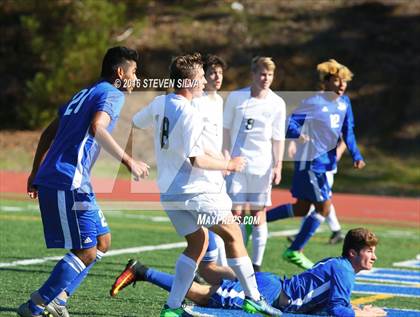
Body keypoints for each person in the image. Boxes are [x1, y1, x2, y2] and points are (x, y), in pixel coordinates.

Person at [128, 53, 281, 317]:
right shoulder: (190, 112)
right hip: (195, 191)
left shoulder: (160, 102)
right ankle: (254, 298)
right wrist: (228, 165)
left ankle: (173, 308)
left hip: (169, 193)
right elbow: (196, 159)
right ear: (188, 83)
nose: (203, 82)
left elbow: (136, 122)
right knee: (234, 235)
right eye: (200, 78)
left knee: (197, 243)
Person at [17, 47, 150, 317]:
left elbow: (47, 133)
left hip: (63, 178)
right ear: (120, 72)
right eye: (135, 72)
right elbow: (98, 127)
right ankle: (36, 304)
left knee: (103, 241)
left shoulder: (83, 93)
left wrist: (35, 173)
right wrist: (129, 161)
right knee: (87, 252)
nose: (138, 78)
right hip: (70, 180)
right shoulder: (111, 94)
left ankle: (59, 298)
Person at [110, 228, 387, 317]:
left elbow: (331, 303)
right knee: (202, 295)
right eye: (369, 251)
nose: (373, 257)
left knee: (209, 278)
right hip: (271, 293)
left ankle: (202, 244)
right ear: (352, 253)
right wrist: (365, 314)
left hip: (272, 286)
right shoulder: (344, 271)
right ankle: (141, 271)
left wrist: (353, 308)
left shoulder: (341, 266)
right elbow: (338, 312)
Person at [266, 59, 366, 270]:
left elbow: (348, 131)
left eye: (345, 82)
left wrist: (356, 155)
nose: (342, 85)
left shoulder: (344, 103)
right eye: (337, 81)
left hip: (325, 163)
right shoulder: (314, 101)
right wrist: (298, 133)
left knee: (302, 208)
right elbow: (290, 123)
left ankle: (258, 219)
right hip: (312, 162)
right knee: (324, 206)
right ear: (326, 82)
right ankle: (295, 250)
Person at [223, 57, 286, 271]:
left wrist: (278, 166)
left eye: (269, 75)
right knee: (235, 214)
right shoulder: (236, 98)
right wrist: (225, 157)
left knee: (257, 215)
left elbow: (278, 138)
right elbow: (225, 130)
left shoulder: (277, 103)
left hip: (262, 166)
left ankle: (256, 265)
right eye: (262, 74)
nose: (265, 78)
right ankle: (235, 260)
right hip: (238, 165)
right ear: (253, 74)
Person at [191, 54, 235, 283]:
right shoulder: (196, 102)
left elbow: (219, 135)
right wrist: (220, 160)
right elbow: (196, 139)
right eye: (212, 73)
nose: (217, 77)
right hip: (201, 170)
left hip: (216, 169)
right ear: (203, 77)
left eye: (220, 72)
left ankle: (210, 269)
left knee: (215, 220)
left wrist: (225, 156)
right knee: (214, 219)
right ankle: (214, 271)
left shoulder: (219, 101)